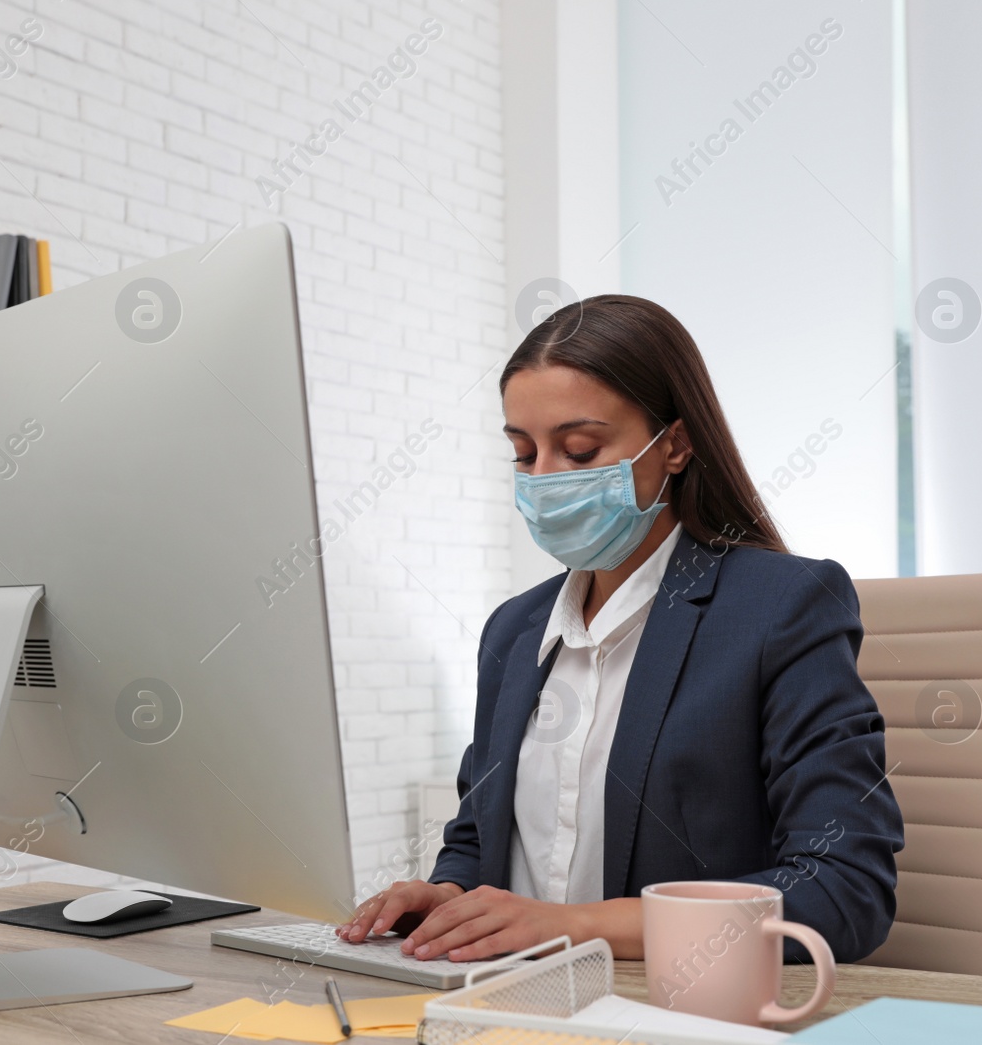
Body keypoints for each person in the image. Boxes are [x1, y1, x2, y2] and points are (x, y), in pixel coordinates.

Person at [338, 295, 904, 964]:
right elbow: (477, 834)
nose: (544, 478)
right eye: (523, 453)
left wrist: (576, 924)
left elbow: (844, 889)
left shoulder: (782, 606)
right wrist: (451, 895)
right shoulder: (514, 630)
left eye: (579, 450)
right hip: (510, 1006)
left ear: (676, 445)